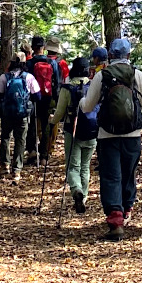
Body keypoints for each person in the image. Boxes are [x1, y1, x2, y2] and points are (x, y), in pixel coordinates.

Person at [79, 38, 142, 241]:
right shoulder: (137, 74)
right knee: (129, 173)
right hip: (132, 135)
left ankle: (115, 221)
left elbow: (87, 107)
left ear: (110, 55)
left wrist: (81, 99)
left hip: (107, 134)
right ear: (128, 55)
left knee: (111, 176)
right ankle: (126, 209)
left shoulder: (102, 76)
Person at [52, 56, 99, 214]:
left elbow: (59, 113)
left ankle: (76, 190)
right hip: (92, 131)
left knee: (73, 166)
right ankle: (83, 197)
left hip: (72, 131)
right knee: (85, 167)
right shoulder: (93, 86)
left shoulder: (66, 88)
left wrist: (51, 122)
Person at [0, 58, 33, 182]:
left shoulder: (5, 77)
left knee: (5, 137)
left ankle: (5, 165)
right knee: (20, 140)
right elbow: (37, 95)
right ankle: (17, 170)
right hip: (23, 113)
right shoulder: (28, 77)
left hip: (7, 113)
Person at [26, 35, 63, 166]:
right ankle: (44, 156)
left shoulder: (29, 63)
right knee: (47, 125)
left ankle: (31, 151)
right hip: (48, 98)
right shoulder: (52, 63)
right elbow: (58, 83)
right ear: (43, 48)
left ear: (33, 47)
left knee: (32, 124)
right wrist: (57, 100)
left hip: (33, 98)